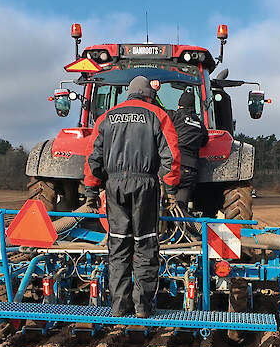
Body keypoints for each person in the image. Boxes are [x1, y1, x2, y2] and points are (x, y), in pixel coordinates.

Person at [84, 76, 181, 318]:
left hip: (114, 186)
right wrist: (170, 190)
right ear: (149, 95)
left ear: (128, 94)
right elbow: (171, 155)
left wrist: (92, 190)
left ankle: (118, 307)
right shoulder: (157, 115)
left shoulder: (107, 117)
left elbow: (93, 156)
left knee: (118, 245)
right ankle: (143, 308)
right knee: (145, 243)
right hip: (145, 185)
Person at [168, 90, 210, 208]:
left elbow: (155, 110)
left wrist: (154, 92)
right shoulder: (200, 125)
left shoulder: (174, 116)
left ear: (179, 105)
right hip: (190, 170)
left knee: (163, 206)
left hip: (172, 166)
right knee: (180, 209)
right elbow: (204, 142)